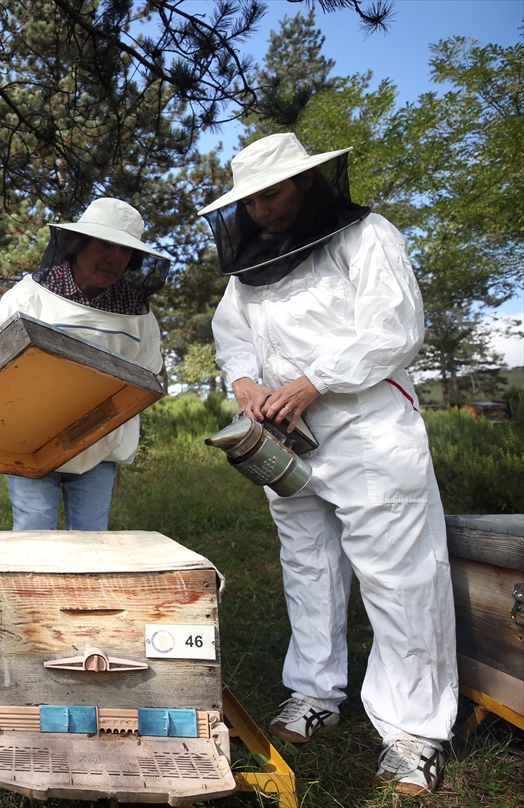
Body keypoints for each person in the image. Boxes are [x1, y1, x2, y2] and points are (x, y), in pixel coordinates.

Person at [201, 133, 457, 795]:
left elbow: (396, 328)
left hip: (367, 428)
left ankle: (414, 732)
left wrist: (316, 380)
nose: (260, 210)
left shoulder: (367, 237)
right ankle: (316, 692)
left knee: (398, 576)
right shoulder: (250, 267)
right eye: (250, 201)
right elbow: (232, 338)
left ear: (308, 183)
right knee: (307, 562)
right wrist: (246, 386)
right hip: (284, 439)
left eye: (272, 195)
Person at [0, 198, 168, 530]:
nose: (114, 258)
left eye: (124, 251)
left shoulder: (139, 316)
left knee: (91, 539)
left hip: (98, 447)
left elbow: (146, 374)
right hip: (30, 439)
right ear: (79, 243)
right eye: (104, 244)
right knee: (33, 533)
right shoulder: (33, 294)